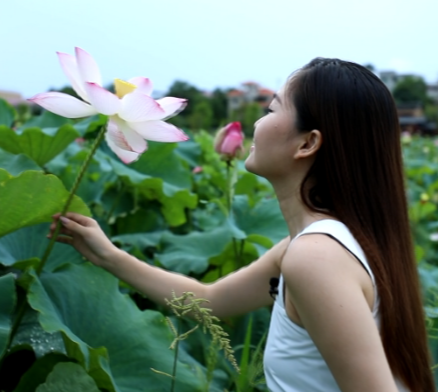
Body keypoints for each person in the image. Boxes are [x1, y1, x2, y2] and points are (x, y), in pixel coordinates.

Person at [48, 58, 435, 392]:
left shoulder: (316, 257)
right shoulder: (318, 244)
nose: (255, 122)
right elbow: (210, 302)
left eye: (270, 110)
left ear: (307, 144)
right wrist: (108, 256)